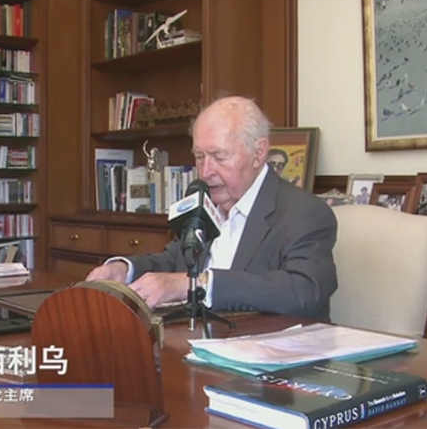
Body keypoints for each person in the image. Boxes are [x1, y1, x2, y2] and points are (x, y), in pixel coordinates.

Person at [86, 96, 338, 321]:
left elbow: (304, 290)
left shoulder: (305, 213)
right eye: (199, 157)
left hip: (272, 349)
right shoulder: (206, 203)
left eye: (219, 157)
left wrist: (198, 285)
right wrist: (124, 270)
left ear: (259, 153)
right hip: (203, 340)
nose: (205, 171)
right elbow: (174, 261)